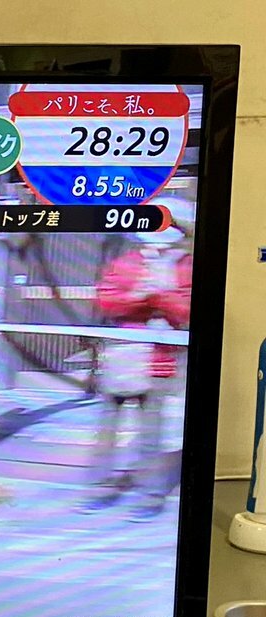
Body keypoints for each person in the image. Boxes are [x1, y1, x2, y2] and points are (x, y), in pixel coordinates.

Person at [79, 198, 193, 521]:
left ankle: (150, 496)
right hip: (122, 356)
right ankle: (99, 489)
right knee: (107, 429)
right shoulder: (127, 262)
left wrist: (159, 296)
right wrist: (139, 297)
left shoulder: (185, 266)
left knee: (150, 433)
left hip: (159, 361)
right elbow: (106, 299)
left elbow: (185, 310)